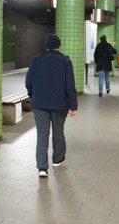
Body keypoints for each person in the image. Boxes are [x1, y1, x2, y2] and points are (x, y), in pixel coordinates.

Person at [25, 34, 78, 178]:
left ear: (46, 45)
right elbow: (70, 85)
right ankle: (57, 159)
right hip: (60, 104)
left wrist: (32, 95)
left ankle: (42, 168)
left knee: (42, 135)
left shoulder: (37, 59)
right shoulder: (65, 61)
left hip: (39, 104)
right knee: (58, 131)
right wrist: (73, 105)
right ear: (58, 45)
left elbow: (28, 81)